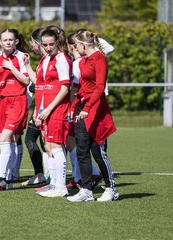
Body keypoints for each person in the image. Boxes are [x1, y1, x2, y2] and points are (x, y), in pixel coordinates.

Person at [67, 30, 119, 202]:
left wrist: (87, 108)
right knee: (82, 150)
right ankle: (87, 190)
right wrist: (74, 106)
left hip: (96, 109)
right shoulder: (84, 61)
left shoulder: (99, 59)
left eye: (76, 45)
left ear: (83, 45)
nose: (74, 48)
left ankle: (111, 189)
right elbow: (83, 88)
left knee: (98, 151)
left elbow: (99, 88)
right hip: (83, 108)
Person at [0, 29, 30, 190]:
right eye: (5, 40)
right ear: (0, 42)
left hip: (18, 101)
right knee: (7, 140)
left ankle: (2, 178)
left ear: (16, 42)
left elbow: (26, 80)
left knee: (5, 137)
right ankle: (9, 179)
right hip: (3, 102)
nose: (8, 42)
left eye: (11, 40)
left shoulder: (21, 57)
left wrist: (12, 67)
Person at [34, 28, 73, 198]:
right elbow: (42, 88)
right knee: (49, 146)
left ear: (57, 42)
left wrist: (49, 108)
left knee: (57, 146)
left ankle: (61, 187)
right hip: (47, 110)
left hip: (58, 109)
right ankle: (54, 184)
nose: (48, 47)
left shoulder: (61, 60)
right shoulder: (46, 59)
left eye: (51, 44)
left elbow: (65, 88)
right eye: (45, 44)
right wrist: (39, 110)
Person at [21, 28, 49, 186]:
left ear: (38, 43)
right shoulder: (43, 61)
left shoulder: (51, 60)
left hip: (46, 108)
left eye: (32, 43)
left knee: (50, 144)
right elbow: (38, 84)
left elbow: (45, 88)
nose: (31, 46)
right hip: (41, 106)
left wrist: (39, 111)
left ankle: (51, 178)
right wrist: (27, 65)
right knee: (31, 138)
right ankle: (40, 174)